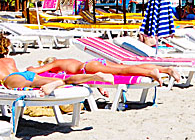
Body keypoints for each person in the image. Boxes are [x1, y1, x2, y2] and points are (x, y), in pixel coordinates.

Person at [0, 34, 112, 94]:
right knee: (65, 80)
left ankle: (54, 83)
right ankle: (94, 76)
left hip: (10, 79)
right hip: (25, 74)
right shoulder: (10, 60)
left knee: (31, 83)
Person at [28, 57, 181, 86]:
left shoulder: (55, 63)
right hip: (93, 63)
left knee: (123, 71)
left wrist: (31, 69)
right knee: (121, 67)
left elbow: (34, 70)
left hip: (87, 67)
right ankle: (165, 69)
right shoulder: (66, 61)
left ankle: (150, 73)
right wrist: (101, 88)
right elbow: (95, 79)